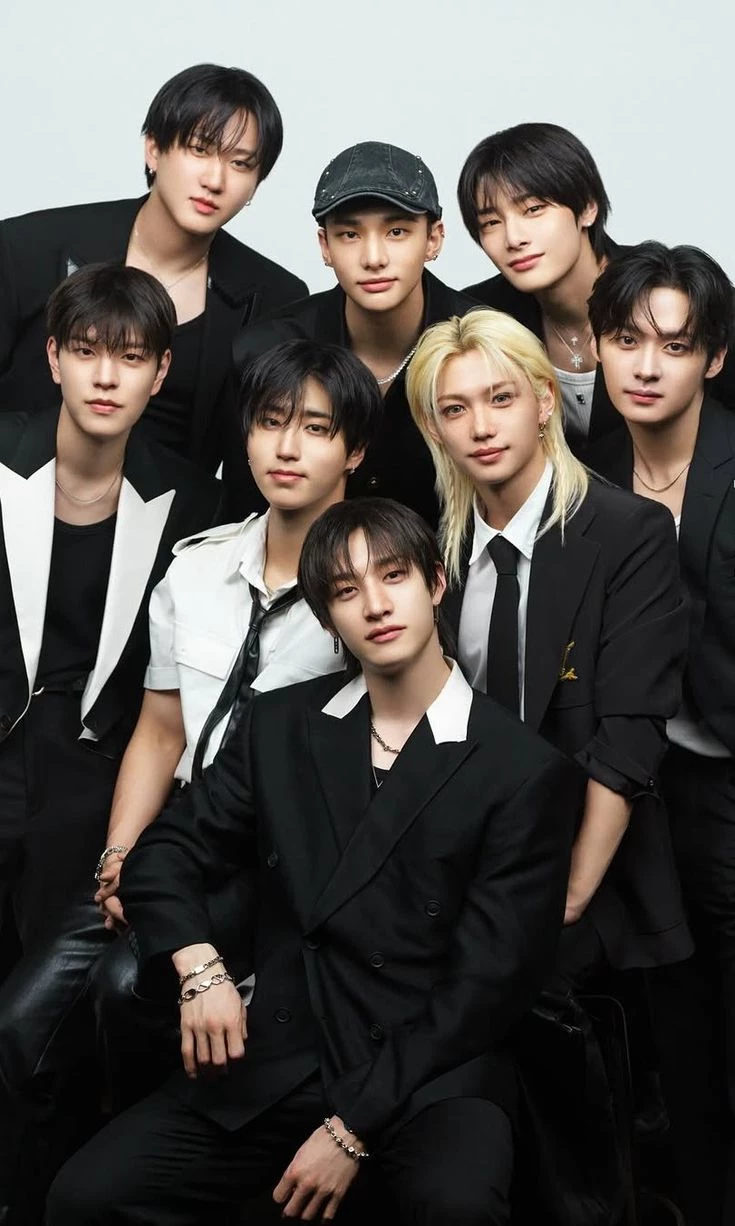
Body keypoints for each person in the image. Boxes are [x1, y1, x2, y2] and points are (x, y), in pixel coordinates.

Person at [47, 497, 582, 1226]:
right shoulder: (281, 725)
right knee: (87, 1196)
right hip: (286, 1049)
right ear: (328, 618)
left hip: (431, 1071)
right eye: (345, 590)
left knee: (454, 1205)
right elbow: (167, 851)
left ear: (435, 582)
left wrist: (353, 1127)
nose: (375, 606)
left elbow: (486, 989)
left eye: (393, 576)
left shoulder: (522, 770)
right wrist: (199, 967)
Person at [0, 339, 383, 1219]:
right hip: (173, 843)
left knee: (126, 991)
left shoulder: (376, 586)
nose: (286, 447)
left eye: (315, 428)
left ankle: (139, 1170)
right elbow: (160, 729)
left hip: (284, 869)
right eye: (270, 423)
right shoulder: (199, 564)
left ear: (354, 450)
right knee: (22, 1024)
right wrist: (121, 852)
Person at [0, 261, 222, 1221]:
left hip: (101, 771)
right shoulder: (1, 456)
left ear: (160, 373)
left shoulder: (192, 499)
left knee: (44, 1020)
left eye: (130, 358)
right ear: (53, 357)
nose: (105, 376)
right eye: (86, 351)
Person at [405, 307, 690, 988]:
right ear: (434, 428)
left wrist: (571, 891)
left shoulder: (628, 532)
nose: (480, 426)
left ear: (542, 401)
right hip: (465, 871)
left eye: (500, 398)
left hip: (593, 876)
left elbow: (629, 732)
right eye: (454, 409)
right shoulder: (434, 554)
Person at [587, 242, 735, 1226]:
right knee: (673, 1015)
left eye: (674, 347)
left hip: (727, 778)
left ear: (712, 358)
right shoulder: (588, 473)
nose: (646, 367)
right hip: (638, 787)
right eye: (627, 340)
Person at [0, 63, 307, 506]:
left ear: (257, 184)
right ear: (153, 149)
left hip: (171, 530)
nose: (215, 180)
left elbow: (254, 469)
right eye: (199, 149)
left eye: (240, 164)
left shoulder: (275, 299)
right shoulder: (27, 248)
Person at [233, 141, 479, 526]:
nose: (373, 258)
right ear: (325, 246)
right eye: (350, 235)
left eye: (396, 231)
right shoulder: (267, 349)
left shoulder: (484, 345)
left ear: (433, 238)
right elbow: (243, 510)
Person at [456, 123, 735, 455]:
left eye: (533, 210)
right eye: (491, 222)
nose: (513, 238)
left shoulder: (675, 294)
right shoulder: (480, 315)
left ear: (588, 207)